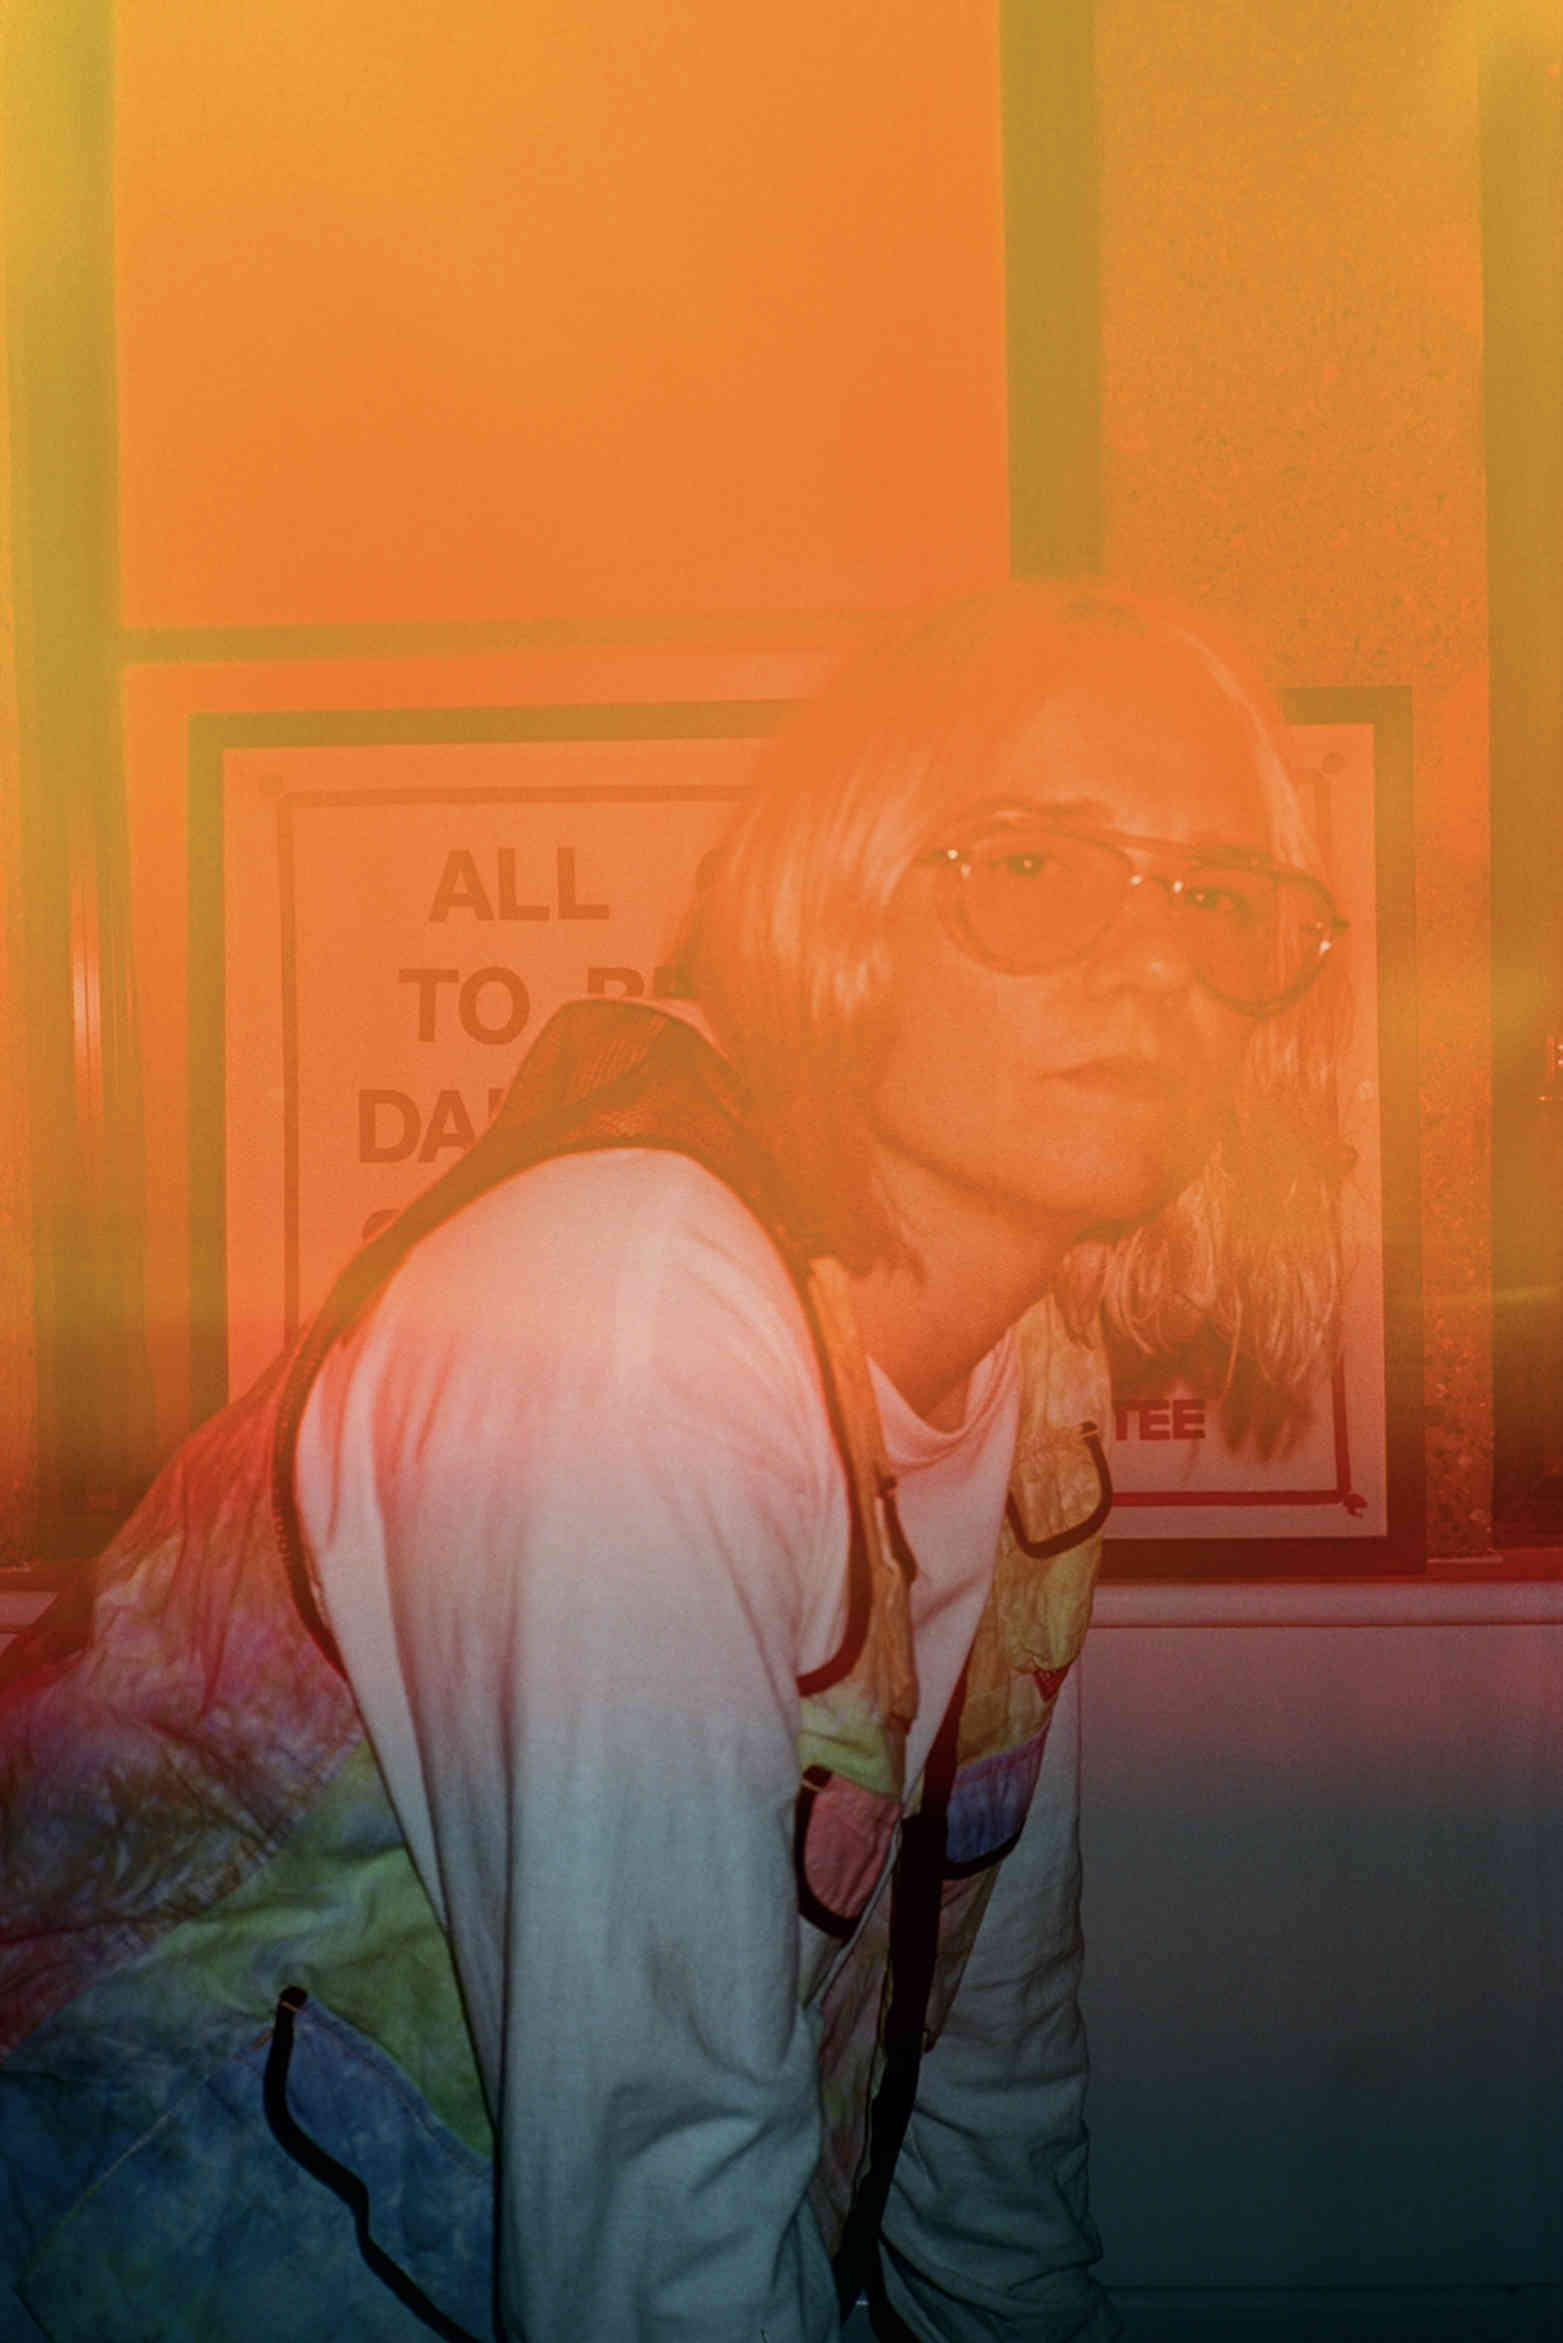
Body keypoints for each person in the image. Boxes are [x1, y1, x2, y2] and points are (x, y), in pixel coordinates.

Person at [0, 583, 1346, 2342]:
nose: (1161, 963)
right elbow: (662, 2221)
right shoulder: (625, 1315)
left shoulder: (1038, 1397)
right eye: (1035, 866)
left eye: (1220, 897)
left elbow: (981, 2090)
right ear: (838, 912)